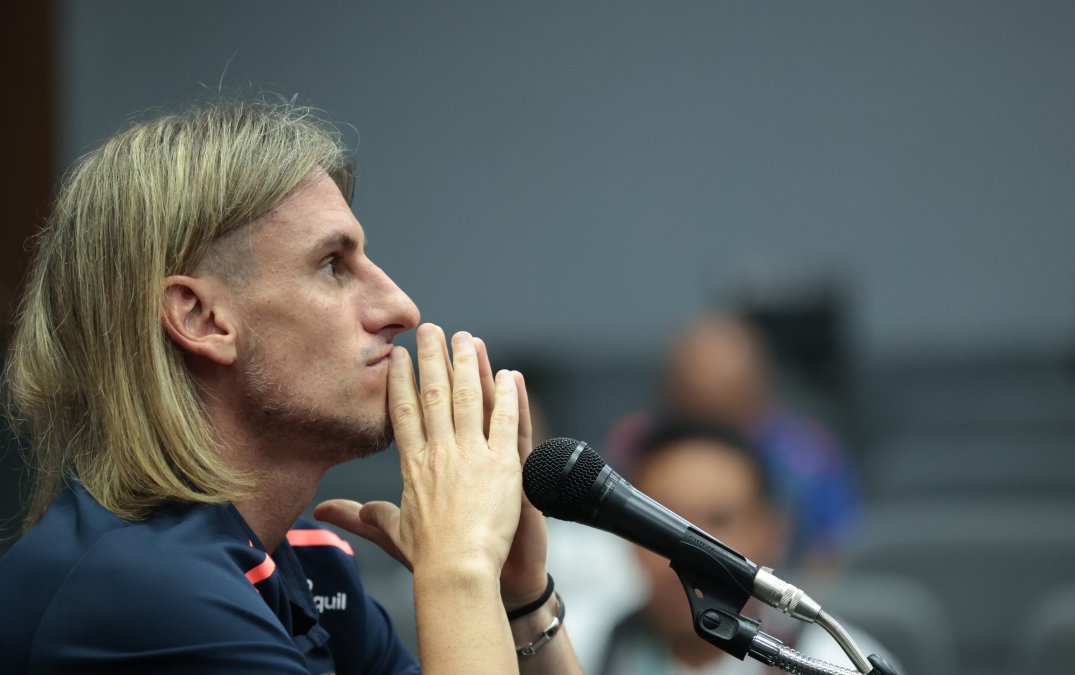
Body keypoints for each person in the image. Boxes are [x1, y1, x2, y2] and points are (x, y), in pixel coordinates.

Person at [0, 98, 583, 674]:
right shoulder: (138, 590)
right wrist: (459, 567)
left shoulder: (304, 560)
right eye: (333, 265)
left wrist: (519, 599)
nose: (400, 308)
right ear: (201, 319)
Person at [598, 420, 896, 675]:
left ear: (772, 531)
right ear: (627, 538)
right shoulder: (575, 647)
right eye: (658, 525)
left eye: (719, 520)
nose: (687, 550)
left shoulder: (837, 665)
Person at [608, 313, 860, 571]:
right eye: (699, 406)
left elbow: (836, 549)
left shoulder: (809, 454)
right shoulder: (638, 447)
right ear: (673, 392)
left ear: (760, 391)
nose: (715, 433)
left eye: (729, 403)